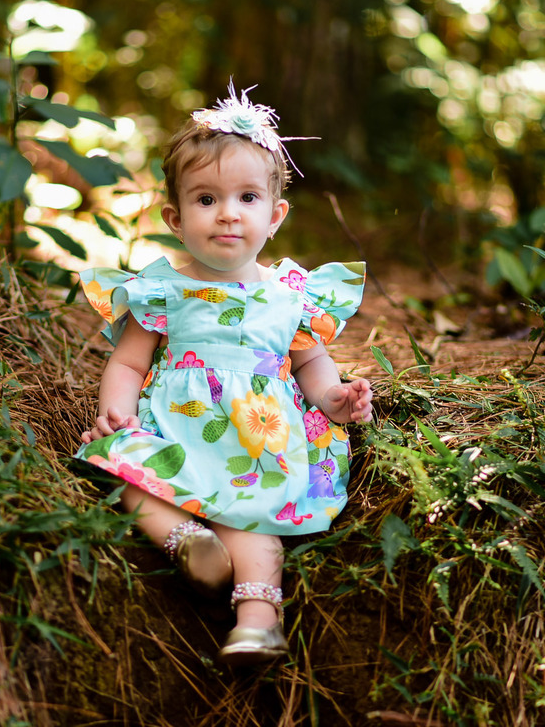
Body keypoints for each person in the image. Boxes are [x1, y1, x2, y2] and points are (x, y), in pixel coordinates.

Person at [74, 81, 373, 665]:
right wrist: (118, 411)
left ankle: (259, 618)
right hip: (176, 426)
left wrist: (334, 397)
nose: (228, 213)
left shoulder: (290, 293)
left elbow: (310, 360)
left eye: (247, 198)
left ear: (275, 215)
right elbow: (130, 361)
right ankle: (189, 544)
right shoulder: (163, 288)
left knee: (255, 512)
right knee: (118, 464)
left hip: (258, 436)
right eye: (206, 199)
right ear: (176, 217)